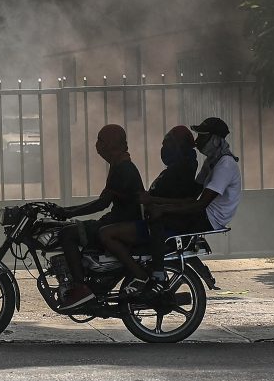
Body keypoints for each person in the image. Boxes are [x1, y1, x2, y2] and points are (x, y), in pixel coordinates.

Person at [98, 116, 241, 298]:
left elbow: (200, 204)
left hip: (208, 218)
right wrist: (155, 200)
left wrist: (161, 207)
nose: (197, 142)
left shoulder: (225, 165)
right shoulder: (211, 162)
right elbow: (191, 196)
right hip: (201, 211)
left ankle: (156, 274)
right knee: (155, 213)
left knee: (157, 219)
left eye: (202, 137)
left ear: (214, 139)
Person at [54, 124, 145, 310]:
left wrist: (67, 212)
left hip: (120, 223)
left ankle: (81, 288)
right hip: (117, 219)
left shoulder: (123, 169)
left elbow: (101, 203)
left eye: (101, 140)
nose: (97, 145)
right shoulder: (119, 164)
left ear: (112, 143)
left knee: (67, 234)